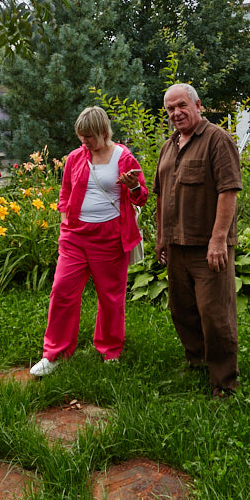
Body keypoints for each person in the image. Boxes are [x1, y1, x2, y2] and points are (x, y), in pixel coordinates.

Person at [30, 106, 148, 376]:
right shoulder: (76, 157)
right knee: (62, 290)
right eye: (81, 136)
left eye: (90, 136)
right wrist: (65, 223)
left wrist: (132, 186)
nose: (85, 142)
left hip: (110, 237)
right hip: (75, 237)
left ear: (103, 131)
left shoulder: (124, 157)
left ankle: (110, 350)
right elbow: (65, 193)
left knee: (111, 297)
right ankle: (54, 354)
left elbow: (141, 197)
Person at [154, 83, 242, 397]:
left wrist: (218, 240)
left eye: (181, 105)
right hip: (175, 245)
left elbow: (228, 191)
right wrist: (161, 237)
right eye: (170, 109)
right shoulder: (168, 146)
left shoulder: (218, 140)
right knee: (183, 310)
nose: (176, 113)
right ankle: (196, 360)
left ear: (197, 105)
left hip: (207, 247)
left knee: (215, 315)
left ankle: (224, 381)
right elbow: (160, 194)